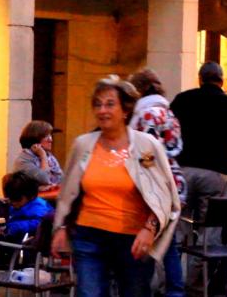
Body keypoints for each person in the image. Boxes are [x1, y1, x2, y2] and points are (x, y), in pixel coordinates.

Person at [50, 76, 180, 297]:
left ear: (125, 109)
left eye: (110, 104)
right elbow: (68, 192)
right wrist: (61, 227)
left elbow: (162, 194)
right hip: (89, 236)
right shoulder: (83, 145)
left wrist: (149, 229)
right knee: (89, 293)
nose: (103, 110)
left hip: (133, 239)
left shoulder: (145, 146)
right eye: (98, 104)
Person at [170, 61, 227, 294]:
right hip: (215, 174)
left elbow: (168, 136)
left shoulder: (182, 100)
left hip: (183, 172)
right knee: (209, 236)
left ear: (200, 78)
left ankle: (172, 285)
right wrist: (226, 164)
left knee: (177, 232)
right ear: (221, 80)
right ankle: (194, 286)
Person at [128, 68, 186, 297]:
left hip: (154, 185)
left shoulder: (148, 115)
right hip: (173, 181)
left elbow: (147, 153)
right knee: (168, 244)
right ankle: (175, 291)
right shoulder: (168, 113)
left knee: (149, 243)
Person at [1, 171, 54, 242]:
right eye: (11, 198)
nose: (13, 202)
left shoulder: (39, 207)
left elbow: (40, 224)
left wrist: (18, 226)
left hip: (31, 243)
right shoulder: (14, 207)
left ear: (30, 196)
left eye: (17, 198)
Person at [13, 120, 63, 189]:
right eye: (46, 136)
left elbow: (62, 180)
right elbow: (45, 179)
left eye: (50, 135)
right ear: (34, 138)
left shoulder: (50, 157)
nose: (51, 140)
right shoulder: (23, 160)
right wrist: (43, 156)